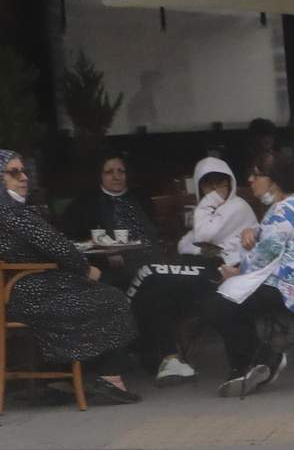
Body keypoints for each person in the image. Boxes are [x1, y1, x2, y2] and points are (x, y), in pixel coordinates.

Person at [0, 146, 141, 405]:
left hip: (20, 293)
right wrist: (86, 268)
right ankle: (106, 375)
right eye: (13, 172)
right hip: (32, 293)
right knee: (113, 297)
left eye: (23, 171)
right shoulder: (12, 213)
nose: (24, 177)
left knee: (100, 292)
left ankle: (72, 374)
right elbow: (56, 245)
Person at [128, 155, 258, 382]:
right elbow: (184, 243)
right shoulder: (208, 213)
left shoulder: (236, 206)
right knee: (157, 289)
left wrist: (206, 206)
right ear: (199, 186)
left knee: (149, 273)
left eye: (221, 183)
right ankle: (170, 359)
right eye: (208, 184)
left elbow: (203, 235)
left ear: (231, 183)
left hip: (227, 273)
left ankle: (136, 339)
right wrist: (205, 248)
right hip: (206, 270)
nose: (215, 190)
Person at [212, 156, 294, 398]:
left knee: (223, 302)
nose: (250, 180)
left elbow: (259, 260)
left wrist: (232, 271)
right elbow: (272, 239)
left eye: (257, 175)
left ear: (274, 181)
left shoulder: (282, 212)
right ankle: (256, 362)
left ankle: (257, 362)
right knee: (234, 298)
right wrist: (252, 230)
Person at [61, 150, 157, 249]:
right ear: (99, 175)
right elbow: (72, 239)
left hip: (150, 256)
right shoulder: (84, 203)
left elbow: (154, 234)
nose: (116, 177)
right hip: (105, 260)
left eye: (121, 171)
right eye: (109, 172)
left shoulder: (141, 197)